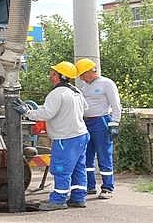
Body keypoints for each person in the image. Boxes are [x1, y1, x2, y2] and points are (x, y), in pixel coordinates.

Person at [22, 61, 90, 211]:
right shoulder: (76, 91)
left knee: (61, 169)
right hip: (81, 135)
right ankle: (78, 197)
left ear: (61, 76)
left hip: (65, 138)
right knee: (79, 167)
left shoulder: (56, 93)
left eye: (53, 74)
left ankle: (58, 200)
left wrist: (26, 113)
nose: (51, 77)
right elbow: (86, 108)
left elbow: (47, 113)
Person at [75, 58, 122, 199]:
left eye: (83, 74)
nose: (82, 77)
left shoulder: (106, 83)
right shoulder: (83, 86)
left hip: (101, 122)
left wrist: (115, 122)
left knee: (104, 155)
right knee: (86, 156)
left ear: (91, 71)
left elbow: (116, 104)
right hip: (85, 123)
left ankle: (107, 188)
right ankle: (90, 186)